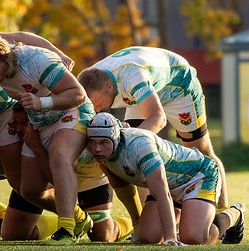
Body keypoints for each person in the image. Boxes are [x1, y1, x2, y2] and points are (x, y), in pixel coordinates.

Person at [0, 34, 94, 245]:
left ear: (3, 57)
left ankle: (66, 229)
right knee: (28, 189)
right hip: (41, 119)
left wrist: (42, 102)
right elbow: (10, 35)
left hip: (72, 111)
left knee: (59, 156)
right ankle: (79, 218)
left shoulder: (36, 62)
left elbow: (78, 94)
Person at [77, 46, 229, 209]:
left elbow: (158, 118)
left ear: (109, 87)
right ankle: (147, 219)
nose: (97, 110)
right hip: (140, 94)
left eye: (98, 104)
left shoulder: (132, 76)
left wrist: (126, 142)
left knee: (202, 150)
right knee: (136, 157)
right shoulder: (90, 79)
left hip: (178, 85)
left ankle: (223, 211)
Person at [86, 112, 246, 245]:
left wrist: (170, 237)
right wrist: (137, 225)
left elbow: (162, 193)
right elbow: (124, 190)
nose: (97, 149)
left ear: (115, 138)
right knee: (147, 238)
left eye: (103, 143)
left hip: (198, 174)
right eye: (92, 142)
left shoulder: (140, 148)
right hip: (168, 183)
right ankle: (188, 215)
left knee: (193, 238)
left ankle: (235, 213)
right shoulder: (102, 154)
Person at [4, 103, 138, 242]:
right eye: (16, 122)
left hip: (88, 179)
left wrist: (138, 219)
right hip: (47, 184)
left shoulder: (73, 130)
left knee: (103, 236)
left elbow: (59, 178)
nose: (19, 129)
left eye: (25, 123)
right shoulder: (16, 133)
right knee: (13, 234)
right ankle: (64, 220)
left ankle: (128, 223)